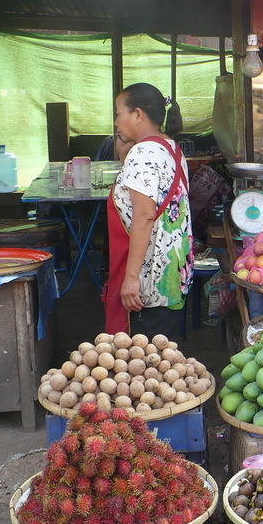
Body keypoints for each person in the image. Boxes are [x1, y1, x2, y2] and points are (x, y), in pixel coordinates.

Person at [102, 82, 193, 339]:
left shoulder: (142, 153)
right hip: (171, 272)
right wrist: (123, 154)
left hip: (148, 280)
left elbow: (143, 215)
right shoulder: (170, 147)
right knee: (165, 358)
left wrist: (131, 279)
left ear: (138, 114)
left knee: (145, 365)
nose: (117, 122)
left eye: (119, 113)